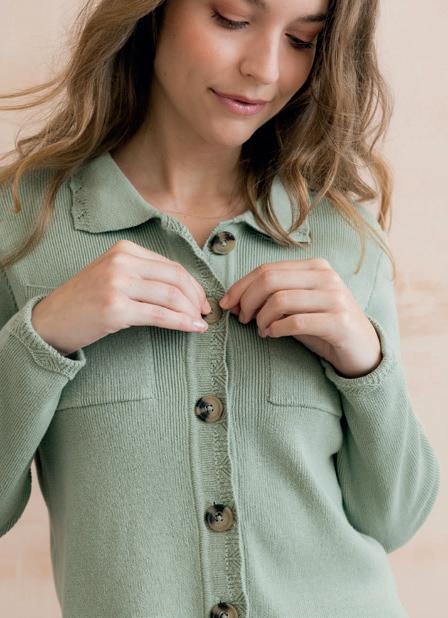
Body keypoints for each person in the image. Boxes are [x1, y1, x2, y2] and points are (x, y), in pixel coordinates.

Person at [0, 1, 440, 617]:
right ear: (156, 12)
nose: (265, 70)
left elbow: (395, 517)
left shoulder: (342, 234)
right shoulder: (24, 224)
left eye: (302, 40)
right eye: (232, 19)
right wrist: (39, 340)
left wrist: (366, 364)